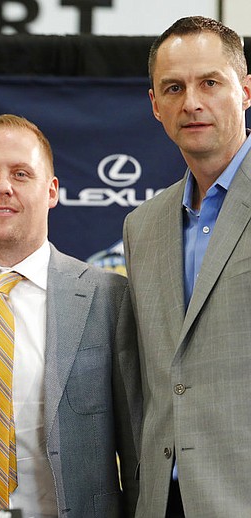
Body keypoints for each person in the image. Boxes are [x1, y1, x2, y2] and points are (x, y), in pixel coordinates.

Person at [0, 114, 142, 518]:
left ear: (51, 191)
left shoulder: (109, 298)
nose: (3, 186)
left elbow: (139, 456)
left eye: (21, 174)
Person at [123, 16, 251, 517]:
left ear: (245, 91)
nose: (191, 102)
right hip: (163, 499)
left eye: (210, 83)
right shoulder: (143, 225)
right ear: (155, 105)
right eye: (173, 87)